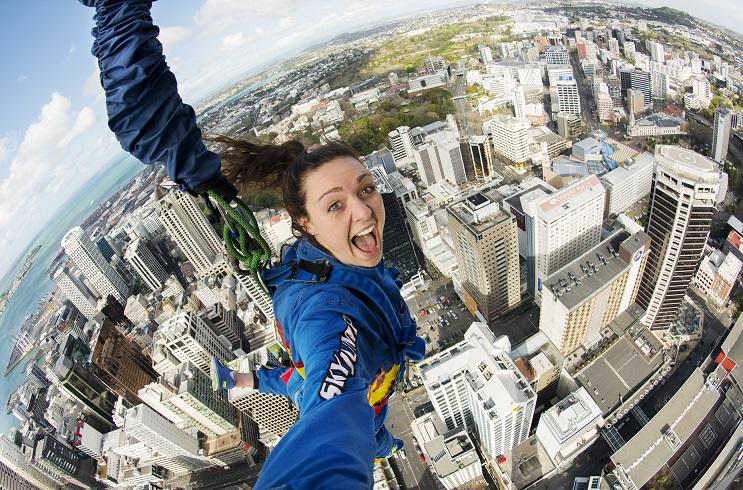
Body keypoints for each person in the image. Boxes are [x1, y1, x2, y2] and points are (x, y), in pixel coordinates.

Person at [78, 1, 425, 488]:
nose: (365, 210)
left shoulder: (328, 269)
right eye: (335, 205)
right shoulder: (329, 312)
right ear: (303, 225)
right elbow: (331, 406)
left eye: (365, 188)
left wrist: (243, 380)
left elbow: (303, 381)